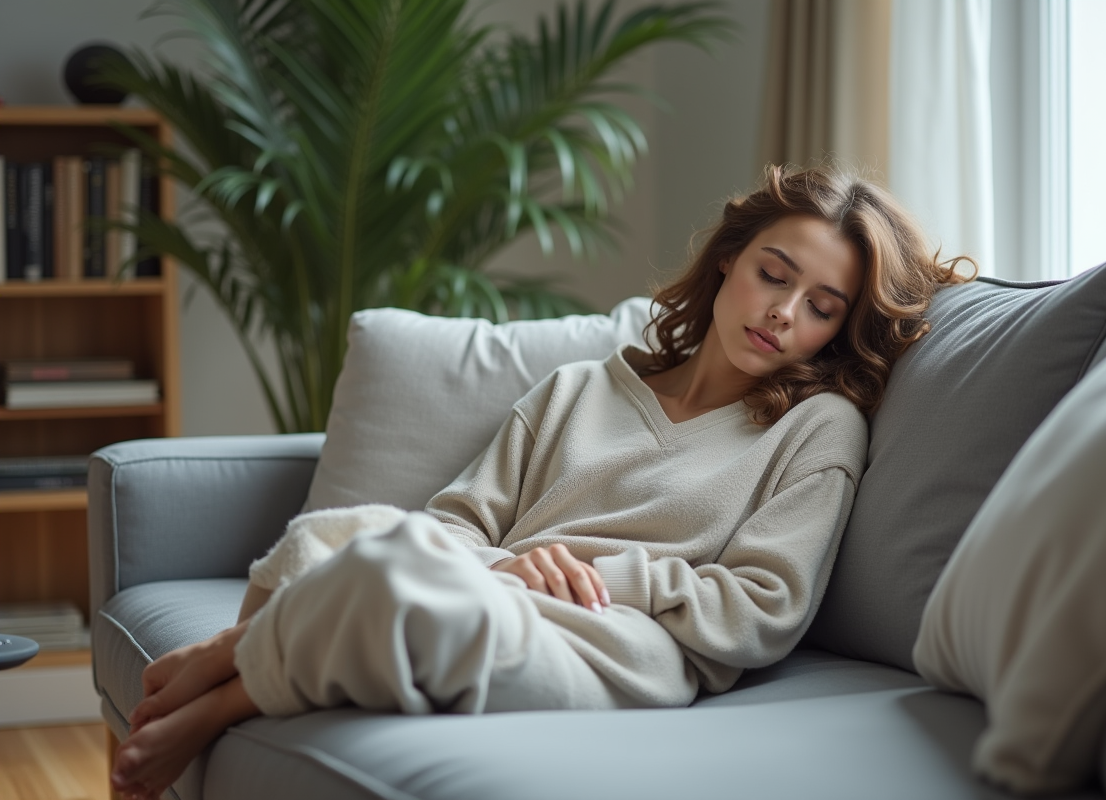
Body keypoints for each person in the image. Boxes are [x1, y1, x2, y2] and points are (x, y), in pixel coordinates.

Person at [109, 164, 973, 799]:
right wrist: (509, 567)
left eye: (822, 306)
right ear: (728, 263)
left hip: (622, 642)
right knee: (328, 537)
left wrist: (596, 575)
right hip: (497, 589)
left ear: (838, 328)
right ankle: (246, 665)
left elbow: (760, 609)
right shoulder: (582, 389)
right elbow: (453, 525)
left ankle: (227, 687)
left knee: (384, 583)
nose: (785, 311)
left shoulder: (818, 427)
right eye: (774, 274)